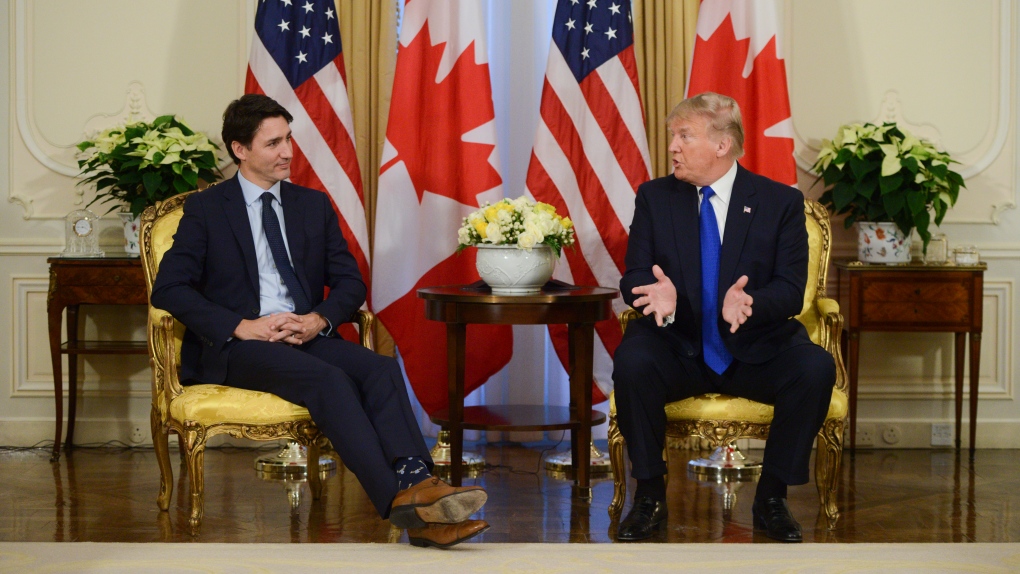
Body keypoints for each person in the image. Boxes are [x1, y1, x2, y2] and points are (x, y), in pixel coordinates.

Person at [151, 94, 488, 549]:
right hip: (237, 346)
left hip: (301, 333)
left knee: (380, 368)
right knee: (329, 380)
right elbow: (169, 289)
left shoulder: (312, 205)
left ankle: (419, 483)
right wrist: (239, 326)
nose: (287, 152)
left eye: (288, 139)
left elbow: (351, 283)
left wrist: (318, 319)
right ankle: (406, 507)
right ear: (240, 149)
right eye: (273, 143)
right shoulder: (208, 209)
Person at [612, 92, 835, 543]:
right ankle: (650, 496)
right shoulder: (655, 198)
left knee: (815, 366)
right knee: (633, 361)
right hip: (679, 346)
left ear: (722, 145)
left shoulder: (778, 203)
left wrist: (751, 303)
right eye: (672, 136)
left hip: (755, 349)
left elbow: (792, 290)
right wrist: (658, 295)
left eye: (684, 136)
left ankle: (772, 498)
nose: (672, 146)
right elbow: (635, 274)